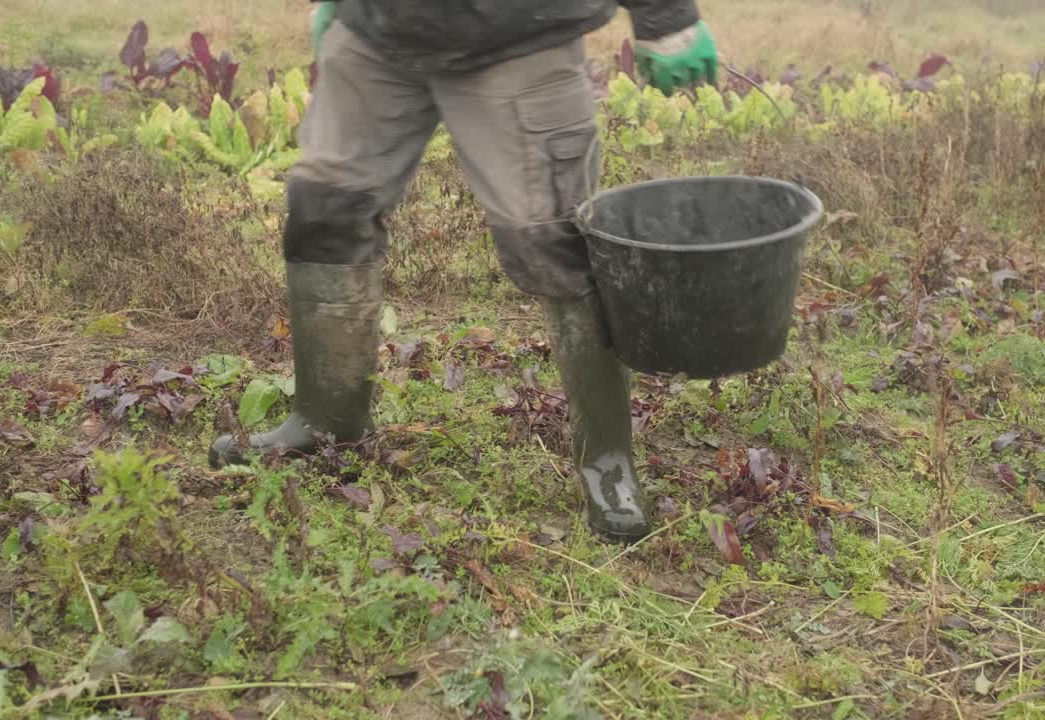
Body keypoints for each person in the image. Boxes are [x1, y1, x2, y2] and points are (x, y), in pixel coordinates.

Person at [209, 0, 719, 543]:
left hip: (521, 32)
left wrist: (666, 17)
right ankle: (326, 425)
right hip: (379, 29)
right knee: (325, 207)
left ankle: (607, 463)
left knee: (554, 239)